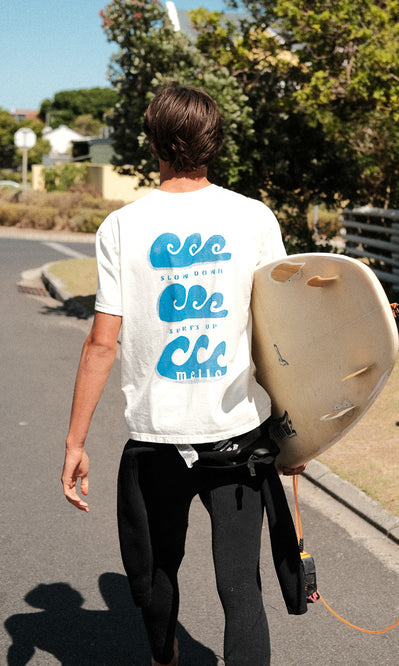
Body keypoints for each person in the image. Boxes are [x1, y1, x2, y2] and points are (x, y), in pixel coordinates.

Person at [61, 85, 307, 666]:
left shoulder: (122, 226)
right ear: (212, 143)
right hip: (239, 438)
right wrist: (296, 436)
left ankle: (164, 657)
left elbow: (102, 342)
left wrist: (75, 441)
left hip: (157, 441)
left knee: (155, 573)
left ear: (154, 142)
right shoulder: (253, 217)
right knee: (240, 589)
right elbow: (281, 336)